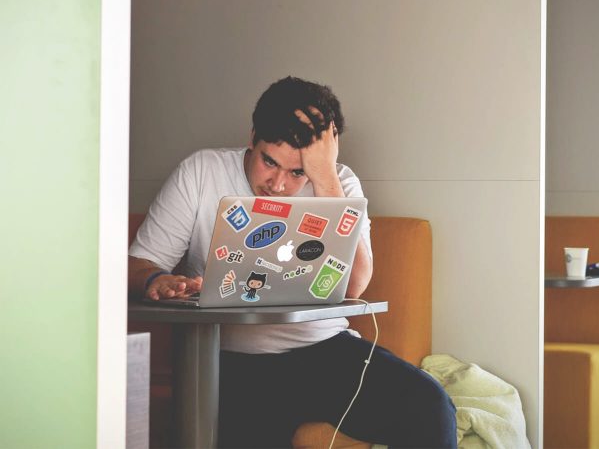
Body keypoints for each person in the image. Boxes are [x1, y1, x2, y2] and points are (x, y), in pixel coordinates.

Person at [127, 76, 457, 448]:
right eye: (270, 162)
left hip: (325, 352)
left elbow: (355, 285)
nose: (278, 184)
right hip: (230, 360)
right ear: (252, 137)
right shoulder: (201, 172)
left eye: (297, 171)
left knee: (430, 405)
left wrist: (324, 177)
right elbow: (137, 264)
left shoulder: (339, 183)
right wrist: (157, 279)